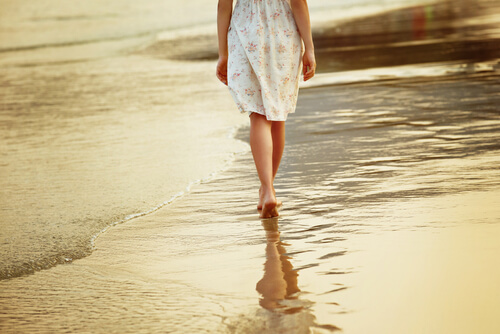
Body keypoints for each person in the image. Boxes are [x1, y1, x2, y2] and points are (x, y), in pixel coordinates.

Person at [216, 0, 316, 218]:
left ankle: (267, 190)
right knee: (277, 114)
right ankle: (268, 188)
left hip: (246, 33)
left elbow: (224, 5)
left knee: (259, 115)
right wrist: (309, 47)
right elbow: (298, 2)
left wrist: (223, 53)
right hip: (282, 32)